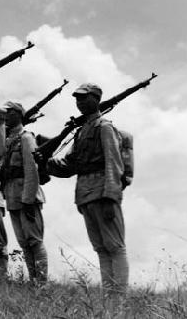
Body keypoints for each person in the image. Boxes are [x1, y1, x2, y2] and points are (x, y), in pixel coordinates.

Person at [44, 83, 129, 296]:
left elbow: (114, 162)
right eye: (77, 98)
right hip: (85, 195)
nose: (79, 102)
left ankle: (119, 300)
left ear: (96, 99)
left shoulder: (105, 127)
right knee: (101, 248)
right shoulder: (82, 131)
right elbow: (70, 165)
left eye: (84, 98)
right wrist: (46, 162)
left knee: (115, 247)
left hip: (102, 192)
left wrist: (111, 196)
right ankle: (109, 298)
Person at [1, 101, 48, 284]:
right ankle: (33, 281)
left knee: (35, 241)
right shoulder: (7, 140)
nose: (6, 116)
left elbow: (31, 169)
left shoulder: (26, 138)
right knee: (24, 243)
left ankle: (41, 283)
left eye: (10, 112)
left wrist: (28, 199)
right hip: (12, 196)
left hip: (27, 196)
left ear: (19, 114)